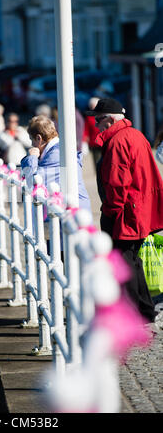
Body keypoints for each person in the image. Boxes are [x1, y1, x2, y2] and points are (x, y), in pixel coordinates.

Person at [87, 97, 163, 324]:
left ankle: (134, 313)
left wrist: (109, 212)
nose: (96, 126)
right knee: (133, 260)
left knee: (124, 262)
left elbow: (117, 183)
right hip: (140, 209)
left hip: (126, 212)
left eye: (98, 121)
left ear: (109, 120)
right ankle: (145, 310)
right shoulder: (136, 134)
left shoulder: (117, 141)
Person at [21, 115, 91, 210]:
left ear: (38, 138)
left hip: (72, 211)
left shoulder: (55, 154)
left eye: (31, 139)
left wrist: (31, 158)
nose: (31, 144)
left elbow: (32, 181)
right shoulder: (60, 148)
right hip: (74, 207)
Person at [82, 97, 102, 170]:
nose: (92, 107)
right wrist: (85, 138)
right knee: (96, 160)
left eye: (93, 105)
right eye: (91, 106)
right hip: (94, 142)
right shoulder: (89, 116)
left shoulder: (102, 115)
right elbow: (86, 129)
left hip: (103, 140)